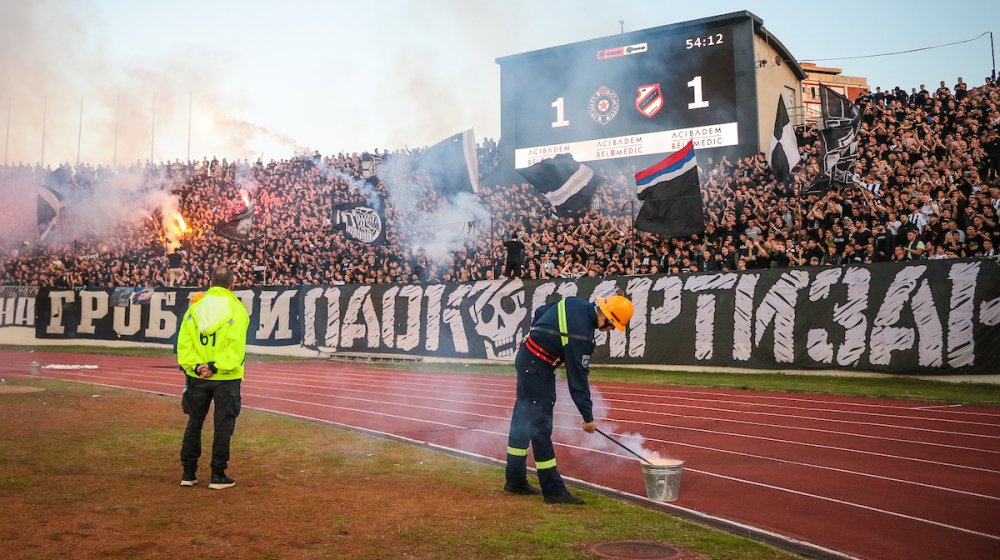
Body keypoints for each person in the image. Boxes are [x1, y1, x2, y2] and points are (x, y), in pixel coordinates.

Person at [503, 293, 634, 505]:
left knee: (522, 420)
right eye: (612, 326)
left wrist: (535, 332)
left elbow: (541, 311)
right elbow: (578, 380)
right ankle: (553, 491)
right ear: (608, 318)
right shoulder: (582, 336)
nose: (609, 330)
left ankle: (515, 480)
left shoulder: (575, 302)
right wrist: (588, 418)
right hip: (537, 367)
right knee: (540, 426)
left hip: (528, 358)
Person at [176, 266, 251, 490]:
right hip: (226, 377)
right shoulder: (237, 310)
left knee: (194, 423)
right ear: (231, 286)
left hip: (196, 376)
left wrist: (197, 367)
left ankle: (188, 473)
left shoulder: (194, 308)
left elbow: (184, 344)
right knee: (223, 426)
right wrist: (215, 366)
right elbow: (236, 348)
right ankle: (218, 474)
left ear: (210, 283)